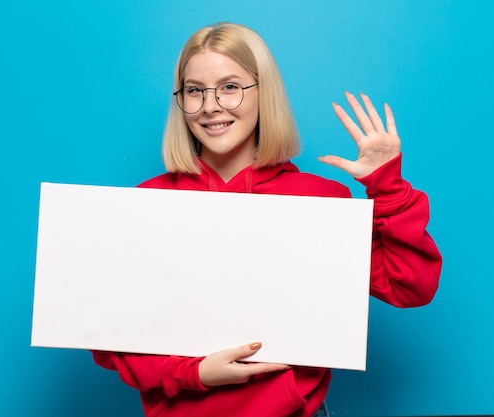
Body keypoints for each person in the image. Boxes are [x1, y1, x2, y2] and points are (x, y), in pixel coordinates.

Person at [92, 22, 442, 417]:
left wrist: (388, 187)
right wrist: (193, 373)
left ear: (264, 92)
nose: (210, 105)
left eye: (229, 87)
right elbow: (110, 340)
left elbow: (409, 286)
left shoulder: (320, 200)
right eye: (195, 90)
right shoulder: (147, 203)